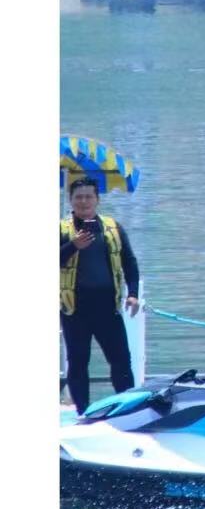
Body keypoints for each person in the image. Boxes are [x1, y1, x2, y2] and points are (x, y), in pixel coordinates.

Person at [60, 175, 141, 414]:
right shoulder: (62, 230)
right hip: (75, 309)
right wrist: (74, 245)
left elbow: (129, 262)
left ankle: (126, 409)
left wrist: (133, 294)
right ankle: (82, 412)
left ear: (97, 200)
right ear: (71, 201)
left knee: (121, 361)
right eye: (78, 197)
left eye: (88, 197)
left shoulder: (113, 228)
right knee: (78, 362)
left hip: (107, 307)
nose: (83, 202)